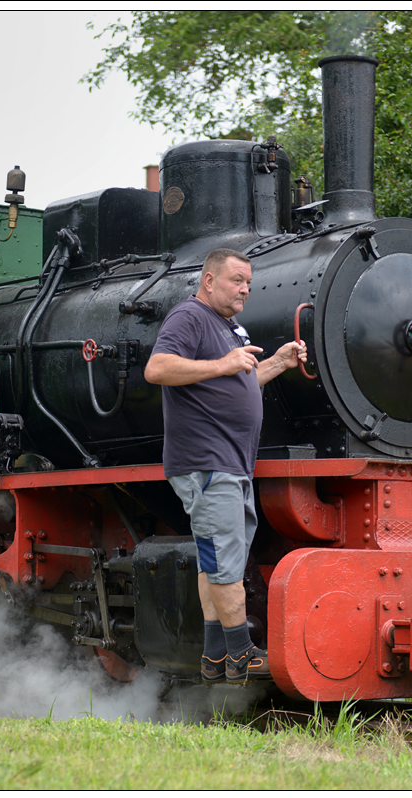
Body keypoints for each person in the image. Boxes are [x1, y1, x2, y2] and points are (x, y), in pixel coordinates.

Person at [145, 248, 306, 684]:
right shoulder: (190, 316)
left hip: (232, 464)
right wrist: (223, 363)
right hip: (207, 463)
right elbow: (156, 368)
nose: (245, 289)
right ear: (209, 280)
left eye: (248, 283)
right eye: (237, 280)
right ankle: (241, 654)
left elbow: (237, 382)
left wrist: (278, 362)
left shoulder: (228, 327)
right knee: (225, 563)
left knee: (214, 561)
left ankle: (215, 655)